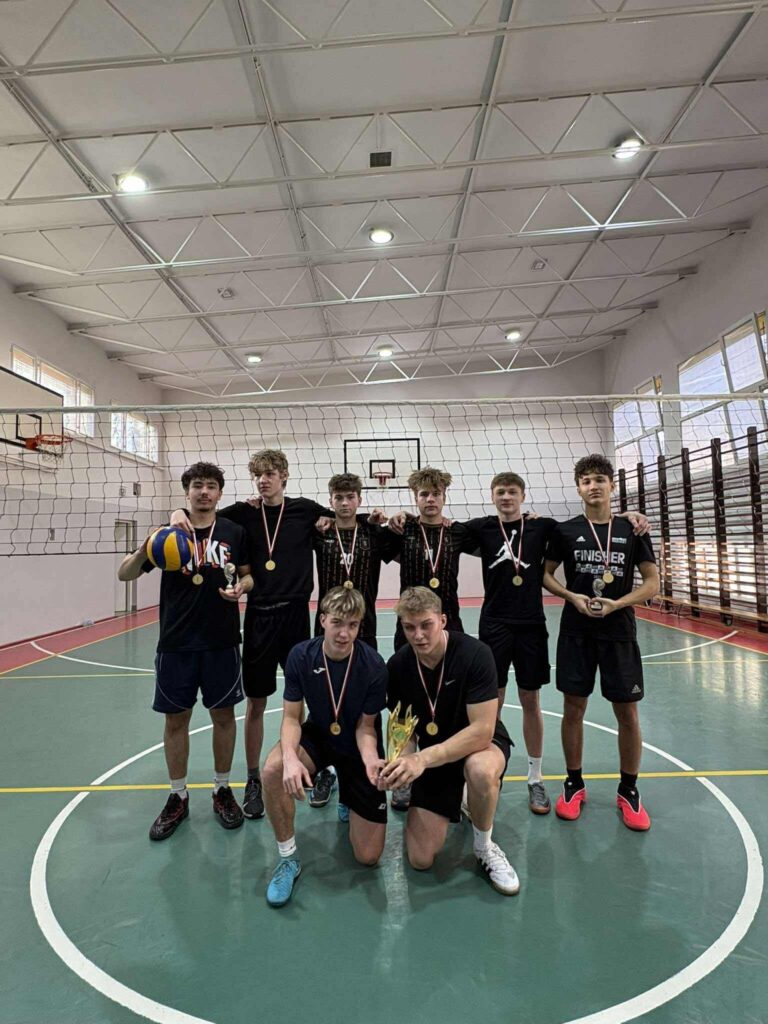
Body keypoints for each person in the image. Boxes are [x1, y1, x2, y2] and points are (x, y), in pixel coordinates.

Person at [463, 473, 650, 816]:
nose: (506, 497)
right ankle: (483, 776)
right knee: (492, 703)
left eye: (513, 491)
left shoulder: (546, 527)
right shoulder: (483, 527)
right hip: (495, 625)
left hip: (533, 626)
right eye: (500, 492)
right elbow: (440, 529)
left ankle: (536, 777)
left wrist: (629, 516)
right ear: (492, 496)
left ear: (523, 496)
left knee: (531, 700)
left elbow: (601, 522)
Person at [172, 449, 333, 821]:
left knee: (309, 698)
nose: (264, 480)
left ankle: (316, 765)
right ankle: (253, 778)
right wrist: (177, 512)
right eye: (258, 474)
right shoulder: (243, 513)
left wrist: (375, 517)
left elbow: (343, 516)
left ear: (284, 476)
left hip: (296, 616)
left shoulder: (306, 510)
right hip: (259, 616)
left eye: (270, 473)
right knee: (256, 703)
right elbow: (202, 515)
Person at [118, 462, 253, 840]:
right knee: (176, 720)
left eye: (211, 486)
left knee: (223, 717)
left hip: (222, 640)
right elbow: (125, 573)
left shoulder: (233, 532)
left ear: (220, 493)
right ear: (187, 491)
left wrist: (242, 588)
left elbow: (248, 574)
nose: (204, 492)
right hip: (176, 642)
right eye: (197, 485)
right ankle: (177, 795)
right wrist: (147, 544)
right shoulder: (167, 533)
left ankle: (222, 789)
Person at [543, 453, 659, 831]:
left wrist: (618, 604)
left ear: (612, 485)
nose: (593, 486)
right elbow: (545, 575)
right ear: (578, 488)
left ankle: (629, 790)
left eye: (599, 480)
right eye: (586, 481)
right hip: (577, 631)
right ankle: (574, 784)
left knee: (627, 712)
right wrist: (571, 597)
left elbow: (652, 583)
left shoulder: (633, 530)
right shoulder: (565, 531)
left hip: (618, 630)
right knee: (573, 708)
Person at [380, 587, 519, 895]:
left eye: (426, 625)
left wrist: (421, 759)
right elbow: (404, 730)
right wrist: (399, 763)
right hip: (433, 757)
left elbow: (482, 730)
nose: (418, 635)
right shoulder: (398, 666)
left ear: (442, 620)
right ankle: (463, 797)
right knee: (420, 860)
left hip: (476, 746)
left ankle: (484, 846)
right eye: (409, 627)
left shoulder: (475, 654)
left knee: (480, 770)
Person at [261, 587, 388, 907]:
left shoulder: (373, 665)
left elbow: (366, 727)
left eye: (353, 625)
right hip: (319, 734)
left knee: (368, 857)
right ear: (322, 620)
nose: (344, 633)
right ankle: (288, 858)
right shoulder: (301, 656)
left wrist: (371, 760)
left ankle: (349, 794)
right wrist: (290, 758)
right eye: (337, 623)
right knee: (273, 770)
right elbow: (292, 718)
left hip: (357, 744)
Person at [309, 472, 397, 816]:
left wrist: (397, 517)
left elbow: (405, 534)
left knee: (363, 706)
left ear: (359, 499)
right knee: (325, 702)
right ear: (330, 500)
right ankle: (327, 772)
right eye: (338, 498)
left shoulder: (374, 533)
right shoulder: (319, 532)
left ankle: (362, 776)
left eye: (350, 497)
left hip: (365, 629)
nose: (344, 503)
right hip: (328, 630)